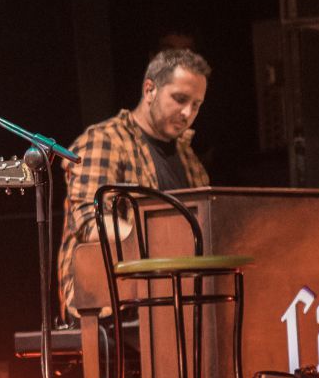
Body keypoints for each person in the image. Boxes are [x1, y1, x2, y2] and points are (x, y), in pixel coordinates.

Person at [56, 47, 212, 318]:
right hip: (109, 302)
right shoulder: (106, 140)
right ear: (150, 89)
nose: (188, 113)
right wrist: (156, 240)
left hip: (175, 296)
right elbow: (87, 220)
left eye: (196, 105)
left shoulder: (190, 160)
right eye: (179, 99)